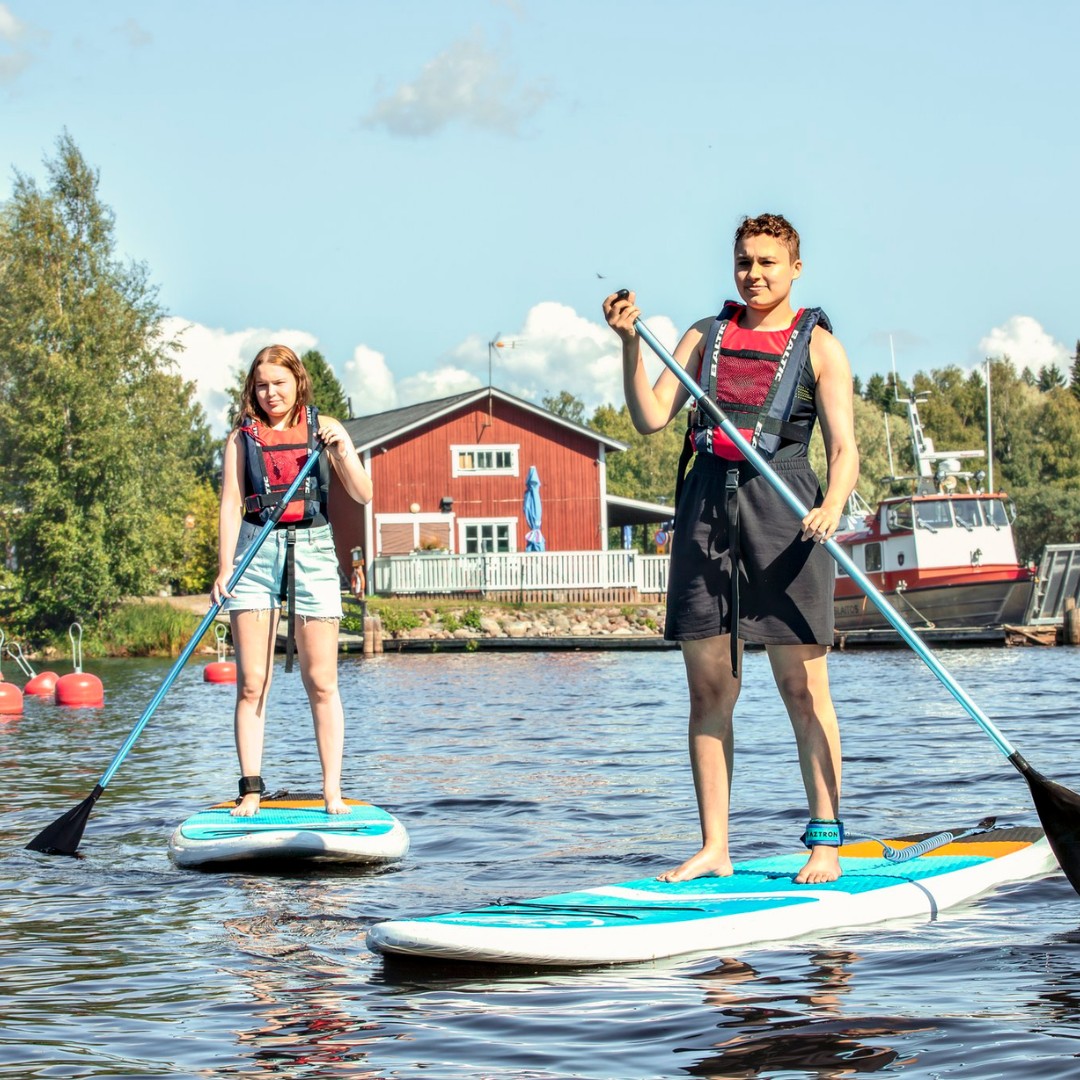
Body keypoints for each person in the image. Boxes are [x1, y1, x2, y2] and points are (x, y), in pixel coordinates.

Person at [604, 213, 859, 885]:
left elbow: (845, 450)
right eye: (745, 261)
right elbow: (651, 417)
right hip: (705, 508)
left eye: (769, 262)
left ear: (795, 267)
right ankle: (715, 847)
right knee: (708, 688)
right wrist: (631, 344)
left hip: (788, 509)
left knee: (802, 686)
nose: (755, 273)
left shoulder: (822, 348)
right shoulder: (703, 335)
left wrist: (832, 505)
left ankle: (826, 840)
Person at [212, 344, 373, 817]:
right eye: (261, 385)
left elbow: (362, 494)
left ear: (297, 381)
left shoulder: (326, 430)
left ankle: (332, 792)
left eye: (278, 383)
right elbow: (229, 504)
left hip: (315, 551)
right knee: (252, 682)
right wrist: (224, 568)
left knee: (321, 680)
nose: (270, 393)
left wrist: (342, 448)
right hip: (256, 550)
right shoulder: (242, 438)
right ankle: (251, 790)